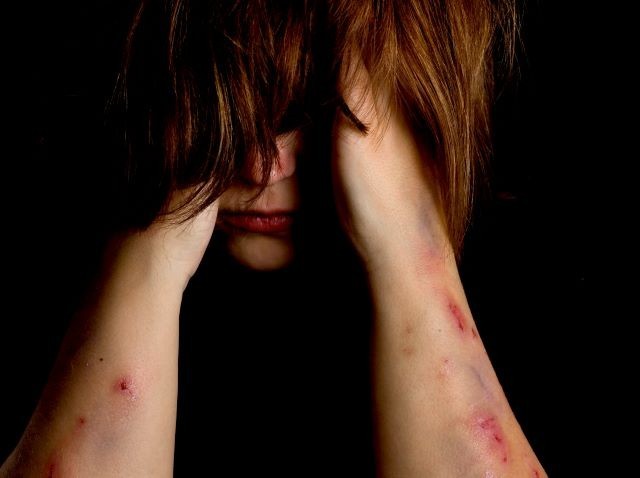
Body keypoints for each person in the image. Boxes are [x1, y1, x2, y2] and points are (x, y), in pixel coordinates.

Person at [1, 0, 547, 476]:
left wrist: (411, 248)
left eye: (314, 112)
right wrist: (154, 231)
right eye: (229, 108)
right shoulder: (38, 260)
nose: (262, 168)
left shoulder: (526, 276)